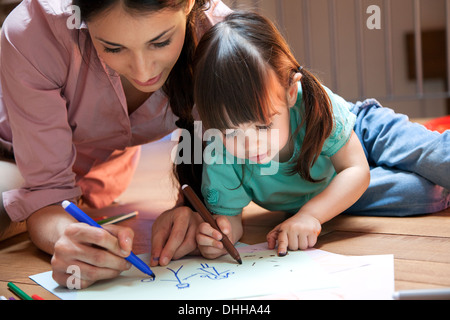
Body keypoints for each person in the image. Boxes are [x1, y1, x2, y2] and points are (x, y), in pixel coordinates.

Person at [0, 0, 230, 288]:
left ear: (189, 4)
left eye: (160, 42)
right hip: (8, 149)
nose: (144, 72)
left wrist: (203, 213)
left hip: (101, 169)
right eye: (113, 48)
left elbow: (241, 163)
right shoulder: (37, 31)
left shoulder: (220, 36)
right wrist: (69, 239)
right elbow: (47, 193)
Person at [190, 12, 450, 260]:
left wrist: (310, 216)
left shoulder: (312, 104)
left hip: (362, 132)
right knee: (428, 193)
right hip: (331, 187)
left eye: (263, 126)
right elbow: (231, 219)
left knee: (436, 157)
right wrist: (220, 236)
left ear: (291, 92)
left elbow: (355, 167)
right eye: (231, 132)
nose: (250, 144)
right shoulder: (220, 151)